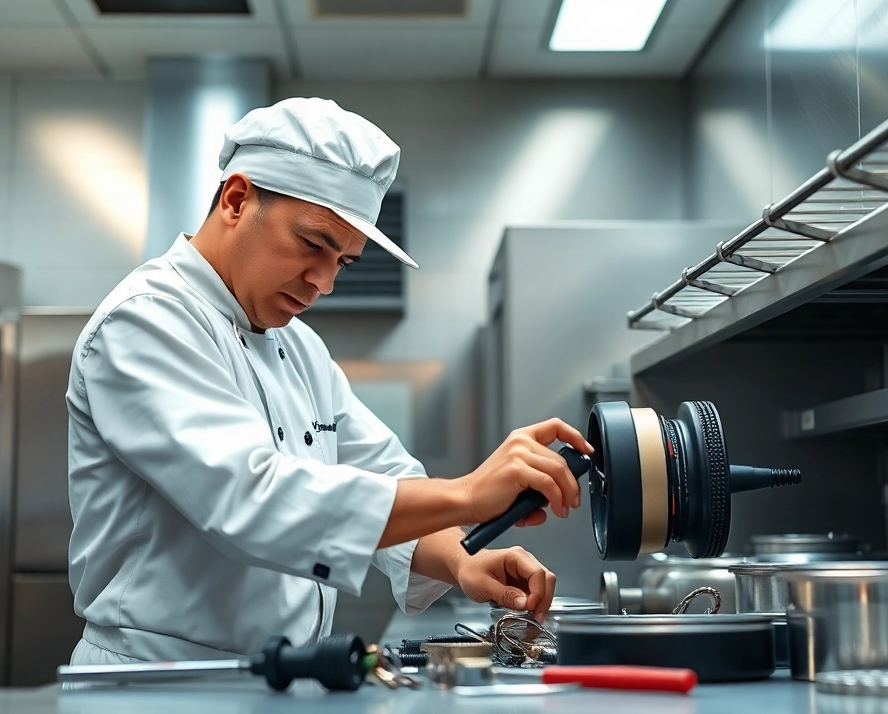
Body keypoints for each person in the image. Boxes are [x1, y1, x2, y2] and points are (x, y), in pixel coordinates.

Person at [66, 97, 591, 665]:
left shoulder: (299, 347)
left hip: (275, 679)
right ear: (237, 199)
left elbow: (380, 475)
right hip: (155, 694)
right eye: (314, 244)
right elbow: (253, 500)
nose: (323, 282)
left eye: (343, 261)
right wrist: (465, 493)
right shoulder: (146, 321)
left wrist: (459, 560)